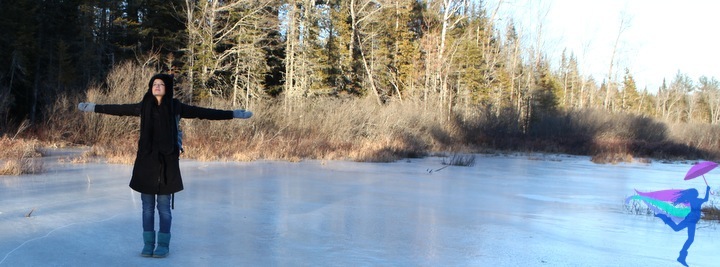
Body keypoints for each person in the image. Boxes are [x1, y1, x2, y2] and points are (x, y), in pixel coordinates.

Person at [77, 73, 252, 258]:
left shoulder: (176, 107)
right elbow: (118, 109)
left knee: (164, 208)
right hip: (146, 163)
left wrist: (233, 114)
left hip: (167, 164)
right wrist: (93, 107)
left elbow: (204, 112)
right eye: (154, 83)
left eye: (161, 84)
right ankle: (148, 244)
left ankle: (162, 245)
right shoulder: (143, 106)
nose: (157, 86)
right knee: (146, 208)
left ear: (167, 88)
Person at [654, 186, 710, 267]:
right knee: (689, 238)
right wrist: (708, 190)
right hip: (691, 220)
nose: (698, 194)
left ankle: (682, 256)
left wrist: (707, 190)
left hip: (692, 220)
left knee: (682, 233)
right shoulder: (697, 200)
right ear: (695, 195)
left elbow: (705, 200)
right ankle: (682, 256)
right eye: (696, 193)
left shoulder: (692, 200)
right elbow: (706, 199)